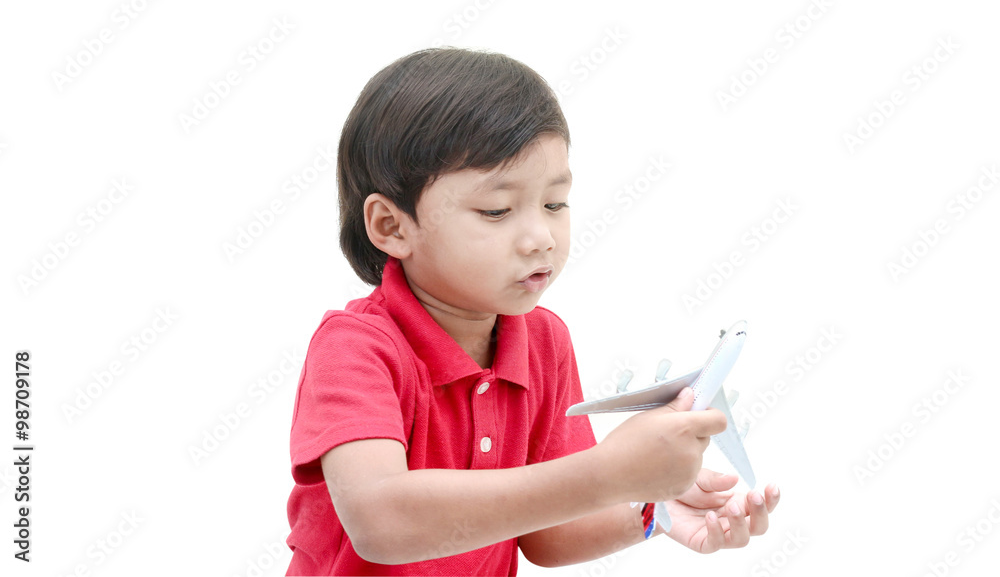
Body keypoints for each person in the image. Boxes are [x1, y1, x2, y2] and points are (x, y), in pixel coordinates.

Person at [285, 47, 779, 575]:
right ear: (391, 226)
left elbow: (549, 536)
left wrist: (650, 506)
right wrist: (606, 473)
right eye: (496, 210)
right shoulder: (354, 348)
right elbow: (383, 522)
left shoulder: (544, 342)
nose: (541, 237)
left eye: (554, 203)